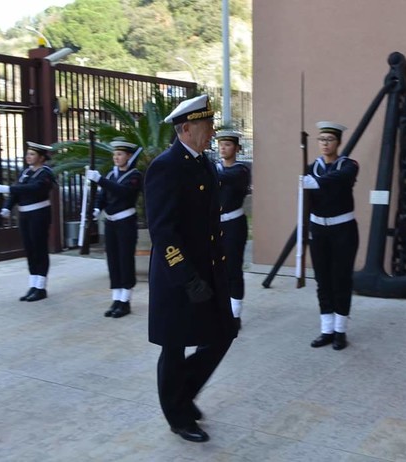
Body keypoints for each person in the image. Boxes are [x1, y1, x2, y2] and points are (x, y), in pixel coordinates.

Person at [144, 94, 237, 443]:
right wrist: (186, 276)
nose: (212, 131)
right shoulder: (166, 166)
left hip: (208, 270)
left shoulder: (204, 164)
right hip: (178, 276)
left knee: (223, 334)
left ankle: (182, 394)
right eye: (207, 125)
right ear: (186, 128)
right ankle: (177, 415)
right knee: (174, 346)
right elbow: (163, 230)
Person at [303, 121, 359, 351]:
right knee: (322, 280)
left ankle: (340, 330)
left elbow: (342, 179)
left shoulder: (348, 165)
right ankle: (326, 329)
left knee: (341, 279)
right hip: (319, 229)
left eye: (329, 140)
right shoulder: (310, 168)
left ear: (338, 142)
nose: (325, 144)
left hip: (343, 230)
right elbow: (306, 202)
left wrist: (316, 182)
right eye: (321, 139)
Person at [86, 139, 143, 318]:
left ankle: (125, 301)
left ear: (128, 156)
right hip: (110, 222)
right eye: (114, 154)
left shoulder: (135, 176)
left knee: (125, 261)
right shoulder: (111, 174)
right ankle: (116, 298)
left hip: (126, 222)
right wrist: (96, 208)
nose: (116, 157)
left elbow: (122, 192)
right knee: (113, 261)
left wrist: (99, 179)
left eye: (119, 154)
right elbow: (103, 195)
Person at [0, 142, 56, 302]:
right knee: (29, 249)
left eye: (32, 154)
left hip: (39, 214)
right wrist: (7, 208)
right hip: (25, 215)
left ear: (41, 158)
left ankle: (41, 287)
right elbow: (16, 192)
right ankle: (33, 284)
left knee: (39, 248)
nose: (28, 157)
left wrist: (9, 189)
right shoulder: (25, 172)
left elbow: (35, 188)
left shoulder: (45, 174)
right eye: (28, 154)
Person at [214, 130, 251, 329]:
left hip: (234, 225)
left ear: (237, 148)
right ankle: (219, 310)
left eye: (228, 144)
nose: (223, 147)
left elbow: (224, 178)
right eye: (221, 144)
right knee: (215, 270)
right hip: (214, 225)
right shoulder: (214, 168)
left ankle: (234, 314)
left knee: (233, 270)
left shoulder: (241, 170)